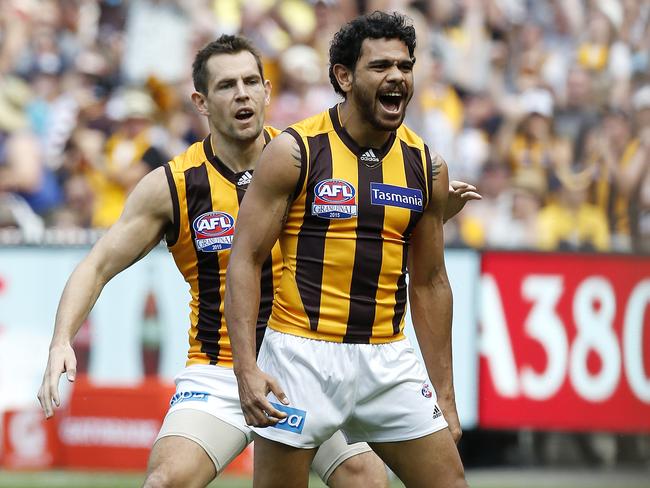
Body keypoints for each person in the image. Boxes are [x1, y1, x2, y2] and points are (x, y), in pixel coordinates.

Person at [37, 34, 478, 488]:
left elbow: (373, 237)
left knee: (366, 479)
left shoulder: (307, 155)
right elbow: (97, 265)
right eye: (227, 86)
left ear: (268, 91)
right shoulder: (173, 185)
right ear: (201, 102)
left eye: (252, 81)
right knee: (165, 482)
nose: (243, 93)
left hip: (307, 365)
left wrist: (434, 211)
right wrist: (60, 340)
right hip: (221, 370)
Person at [225, 12, 468, 488]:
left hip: (388, 359)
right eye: (380, 66)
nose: (396, 76)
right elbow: (246, 260)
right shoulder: (296, 150)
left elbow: (431, 282)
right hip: (301, 357)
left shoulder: (426, 165)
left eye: (404, 66)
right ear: (343, 76)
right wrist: (246, 369)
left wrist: (446, 394)